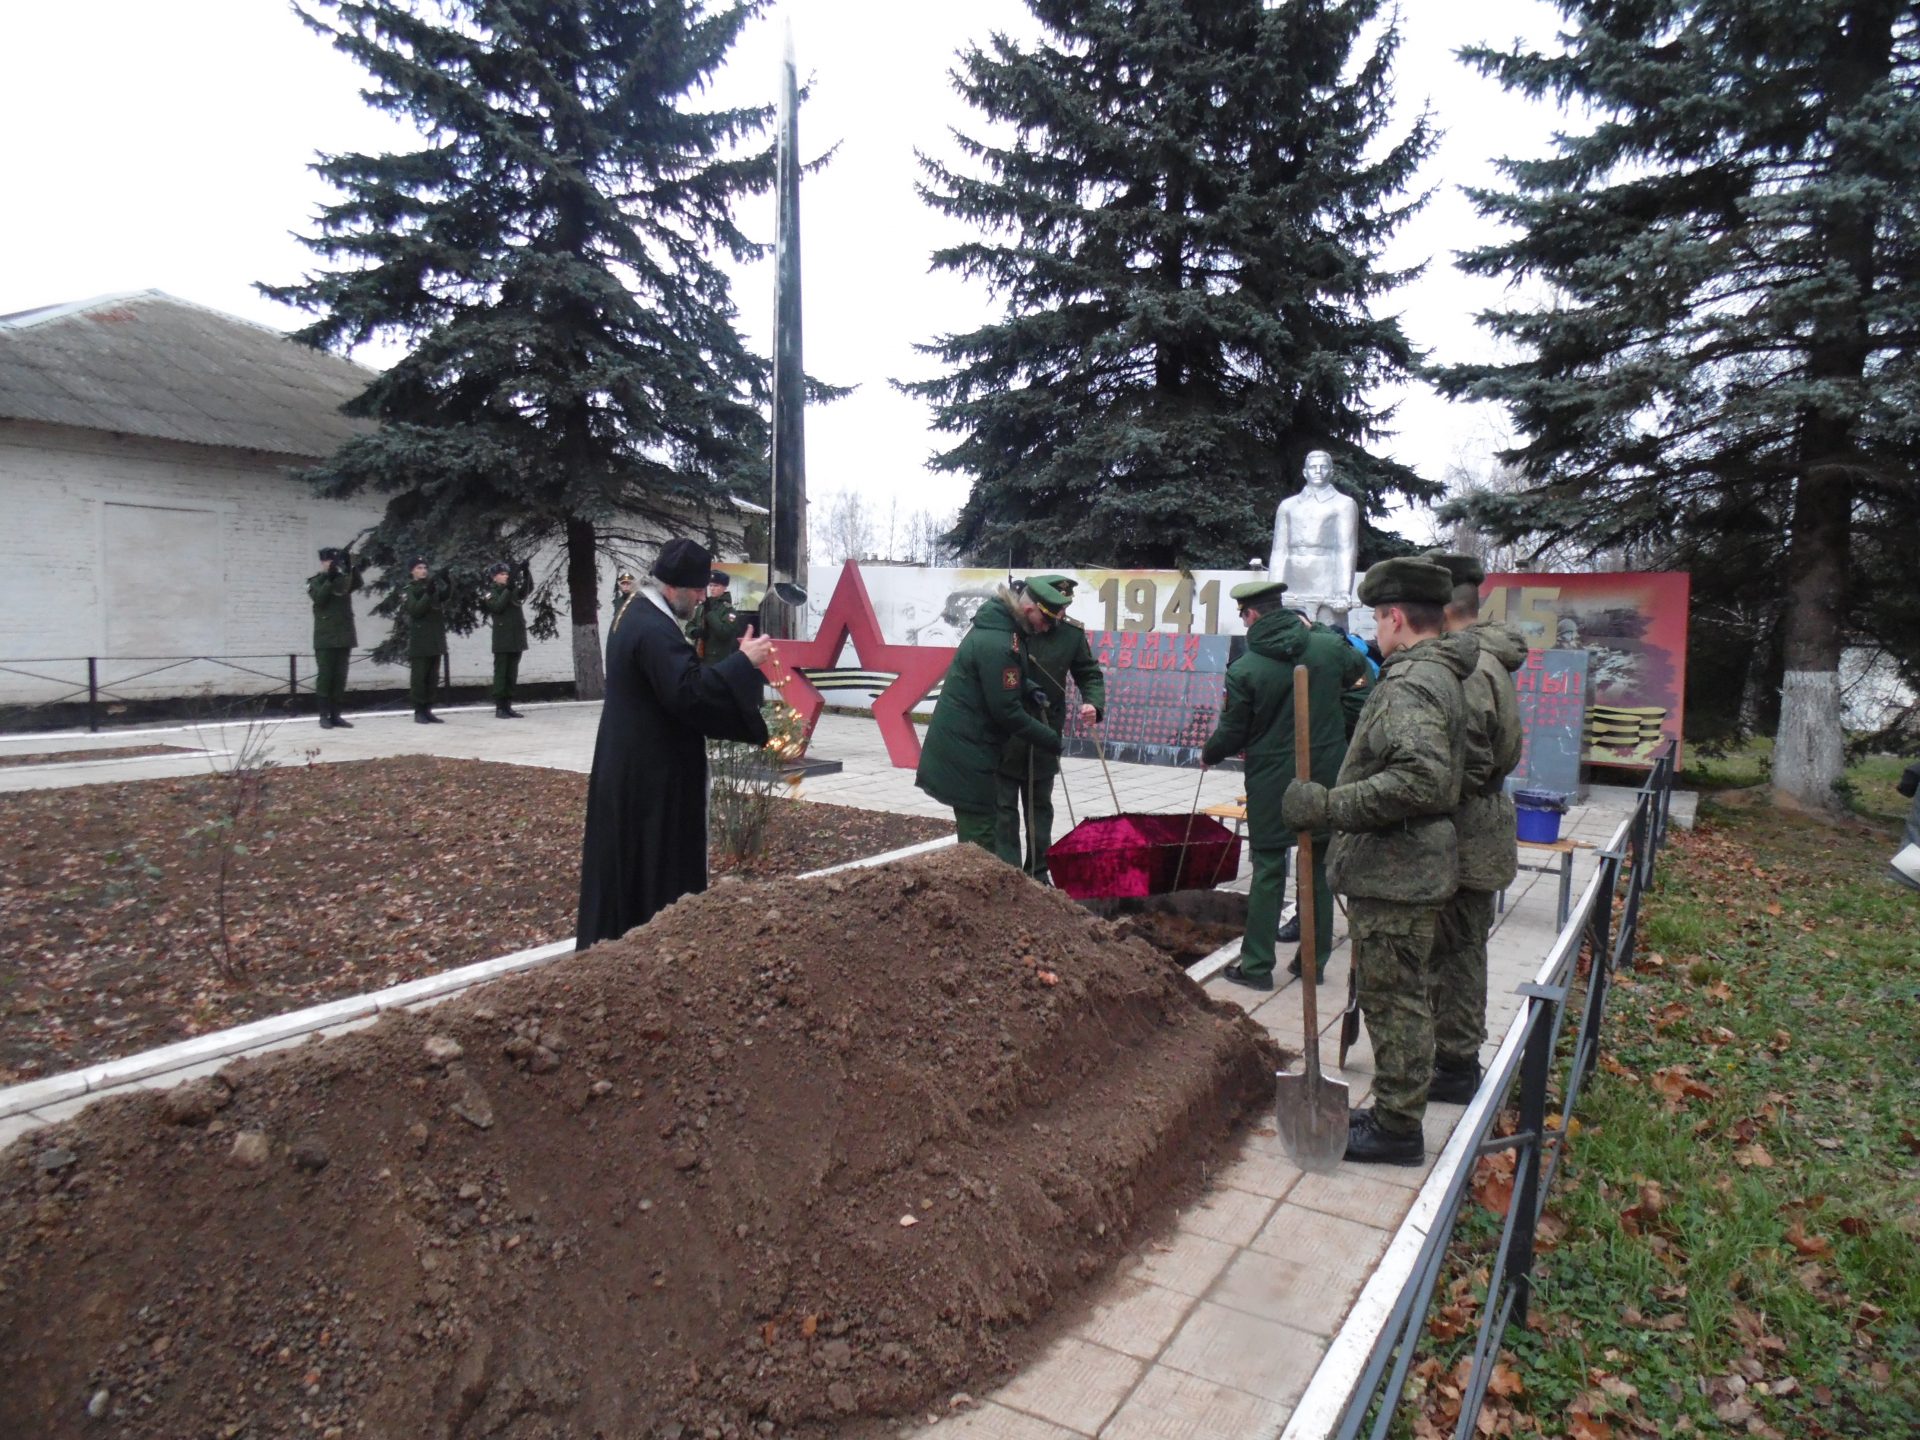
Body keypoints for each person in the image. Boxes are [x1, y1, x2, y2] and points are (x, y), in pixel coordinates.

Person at [1282, 558, 1475, 1165]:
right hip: (1408, 866)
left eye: (1377, 618)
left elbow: (1421, 779)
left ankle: (1397, 1127)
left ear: (1394, 617)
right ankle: (1398, 1110)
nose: (1376, 629)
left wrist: (1329, 805)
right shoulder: (1441, 672)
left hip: (1398, 872)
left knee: (1395, 1001)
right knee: (1400, 994)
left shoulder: (1412, 681)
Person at [575, 538, 775, 949]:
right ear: (673, 586)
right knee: (652, 869)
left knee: (629, 872)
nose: (702, 598)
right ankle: (653, 950)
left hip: (633, 764)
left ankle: (624, 946)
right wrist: (743, 662)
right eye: (698, 590)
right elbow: (688, 692)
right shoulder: (651, 627)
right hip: (648, 779)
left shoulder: (637, 611)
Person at [1202, 581, 1369, 991]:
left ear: (1251, 615)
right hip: (1324, 775)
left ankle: (1257, 966)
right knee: (1319, 867)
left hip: (1271, 781)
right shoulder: (1327, 647)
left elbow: (1234, 732)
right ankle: (1312, 963)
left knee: (1269, 869)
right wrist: (1319, 631)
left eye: (1244, 616)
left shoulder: (1245, 669)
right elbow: (1360, 673)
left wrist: (1209, 753)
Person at [1423, 551, 1528, 1102]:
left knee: (1455, 951)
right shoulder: (1490, 658)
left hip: (1463, 828)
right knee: (1462, 947)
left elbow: (1466, 762)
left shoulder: (1467, 668)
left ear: (1442, 608)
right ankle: (1455, 1057)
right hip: (1480, 821)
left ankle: (1455, 1064)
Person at [915, 579, 1070, 857]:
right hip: (967, 755)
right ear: (1029, 609)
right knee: (980, 843)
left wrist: (1028, 687)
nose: (1046, 628)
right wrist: (1049, 739)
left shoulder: (1003, 631)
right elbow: (1007, 712)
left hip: (971, 748)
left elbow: (999, 677)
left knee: (983, 832)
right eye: (1046, 620)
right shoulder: (1000, 642)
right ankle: (971, 886)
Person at [995, 574, 1105, 880]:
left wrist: (1093, 704)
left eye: (1064, 607)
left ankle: (1038, 873)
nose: (1060, 614)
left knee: (1040, 807)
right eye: (1056, 608)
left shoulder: (1070, 634)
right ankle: (1008, 874)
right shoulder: (1010, 626)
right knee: (1003, 808)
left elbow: (1089, 673)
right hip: (1008, 730)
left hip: (1045, 730)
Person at [1270, 449, 1360, 616]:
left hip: (1326, 580)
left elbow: (1345, 549)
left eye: (1323, 467)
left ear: (1331, 472)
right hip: (1291, 580)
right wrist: (1272, 590)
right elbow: (1279, 551)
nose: (1318, 471)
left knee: (1328, 627)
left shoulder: (1344, 504)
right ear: (1305, 472)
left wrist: (1342, 591)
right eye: (1313, 467)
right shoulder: (1287, 506)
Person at [307, 546, 361, 730]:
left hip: (344, 636)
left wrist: (350, 566)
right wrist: (329, 579)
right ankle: (323, 715)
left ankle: (336, 715)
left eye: (334, 561)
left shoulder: (342, 580)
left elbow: (357, 583)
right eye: (329, 561)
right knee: (325, 677)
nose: (331, 564)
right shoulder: (315, 582)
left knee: (340, 677)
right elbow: (320, 599)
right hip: (325, 638)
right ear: (323, 562)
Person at [483, 559, 534, 719]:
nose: (505, 576)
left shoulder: (511, 590)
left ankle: (508, 706)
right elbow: (497, 606)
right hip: (502, 640)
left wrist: (526, 573)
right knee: (501, 673)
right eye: (502, 574)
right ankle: (500, 707)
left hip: (516, 638)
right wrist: (509, 589)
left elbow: (526, 590)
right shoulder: (490, 593)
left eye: (507, 574)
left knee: (512, 674)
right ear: (494, 577)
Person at [404, 557, 449, 724]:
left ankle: (428, 709)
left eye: (425, 568)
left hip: (435, 639)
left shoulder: (430, 587)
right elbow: (415, 610)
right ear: (412, 571)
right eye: (419, 568)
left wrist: (447, 581)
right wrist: (427, 594)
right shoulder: (409, 590)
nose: (423, 571)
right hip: (421, 641)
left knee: (432, 678)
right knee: (420, 678)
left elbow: (444, 597)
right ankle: (419, 710)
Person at [686, 569, 742, 665]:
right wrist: (695, 631)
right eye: (710, 585)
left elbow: (724, 633)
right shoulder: (702, 606)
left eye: (716, 586)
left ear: (724, 587)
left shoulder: (729, 610)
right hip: (699, 657)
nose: (712, 588)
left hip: (717, 660)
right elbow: (689, 626)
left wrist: (710, 614)